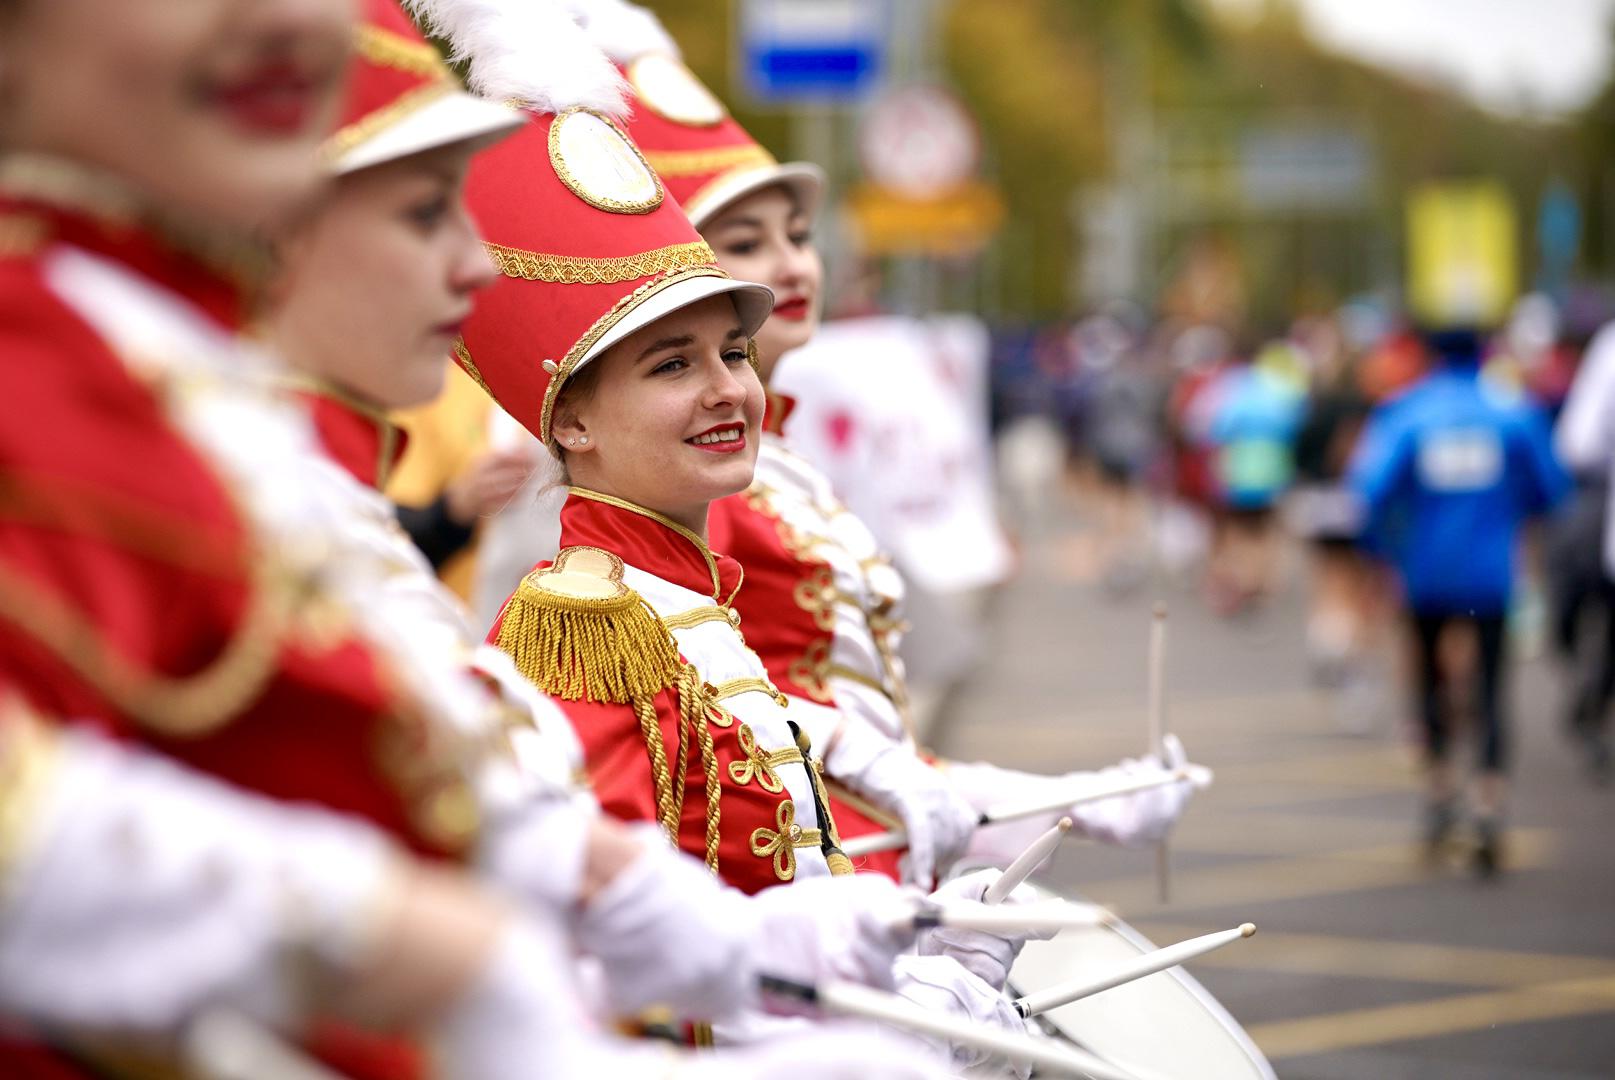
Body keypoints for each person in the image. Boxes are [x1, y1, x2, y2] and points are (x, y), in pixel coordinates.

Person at [0, 1, 935, 1077]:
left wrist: (666, 909)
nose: (474, 266)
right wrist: (461, 961)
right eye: (420, 211)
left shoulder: (170, 378)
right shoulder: (92, 369)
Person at [407, 0, 1036, 1065]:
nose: (727, 389)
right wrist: (845, 1018)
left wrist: (904, 953)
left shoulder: (686, 593)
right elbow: (608, 970)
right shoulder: (588, 628)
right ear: (569, 421)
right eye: (672, 364)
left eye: (731, 353)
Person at [574, 0, 1203, 894]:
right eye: (744, 242)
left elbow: (869, 720)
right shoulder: (658, 474)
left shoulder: (781, 459)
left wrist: (1063, 800)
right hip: (773, 883)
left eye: (800, 236)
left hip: (855, 854)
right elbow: (675, 720)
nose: (791, 265)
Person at [1349, 327, 1569, 877]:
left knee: (1429, 682)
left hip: (1426, 572)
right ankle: (1488, 803)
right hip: (1491, 574)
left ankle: (1439, 792)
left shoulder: (1406, 413)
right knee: (1492, 688)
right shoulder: (1513, 411)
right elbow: (1552, 488)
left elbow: (1370, 491)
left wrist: (1385, 551)